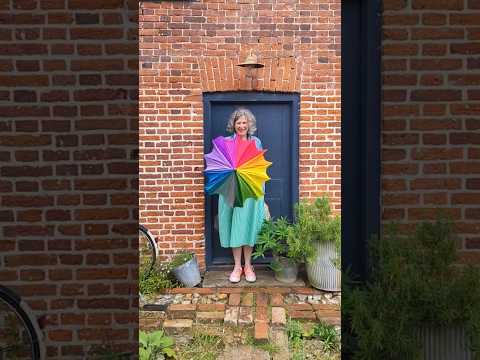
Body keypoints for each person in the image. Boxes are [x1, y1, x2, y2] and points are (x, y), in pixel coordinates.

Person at [218, 107, 265, 283]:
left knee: (249, 227)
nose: (242, 125)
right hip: (231, 191)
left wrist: (262, 195)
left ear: (249, 124)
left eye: (245, 122)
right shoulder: (226, 142)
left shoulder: (256, 142)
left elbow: (259, 169)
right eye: (239, 122)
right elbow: (221, 168)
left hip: (251, 192)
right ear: (234, 124)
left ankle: (248, 266)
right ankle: (237, 266)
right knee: (235, 227)